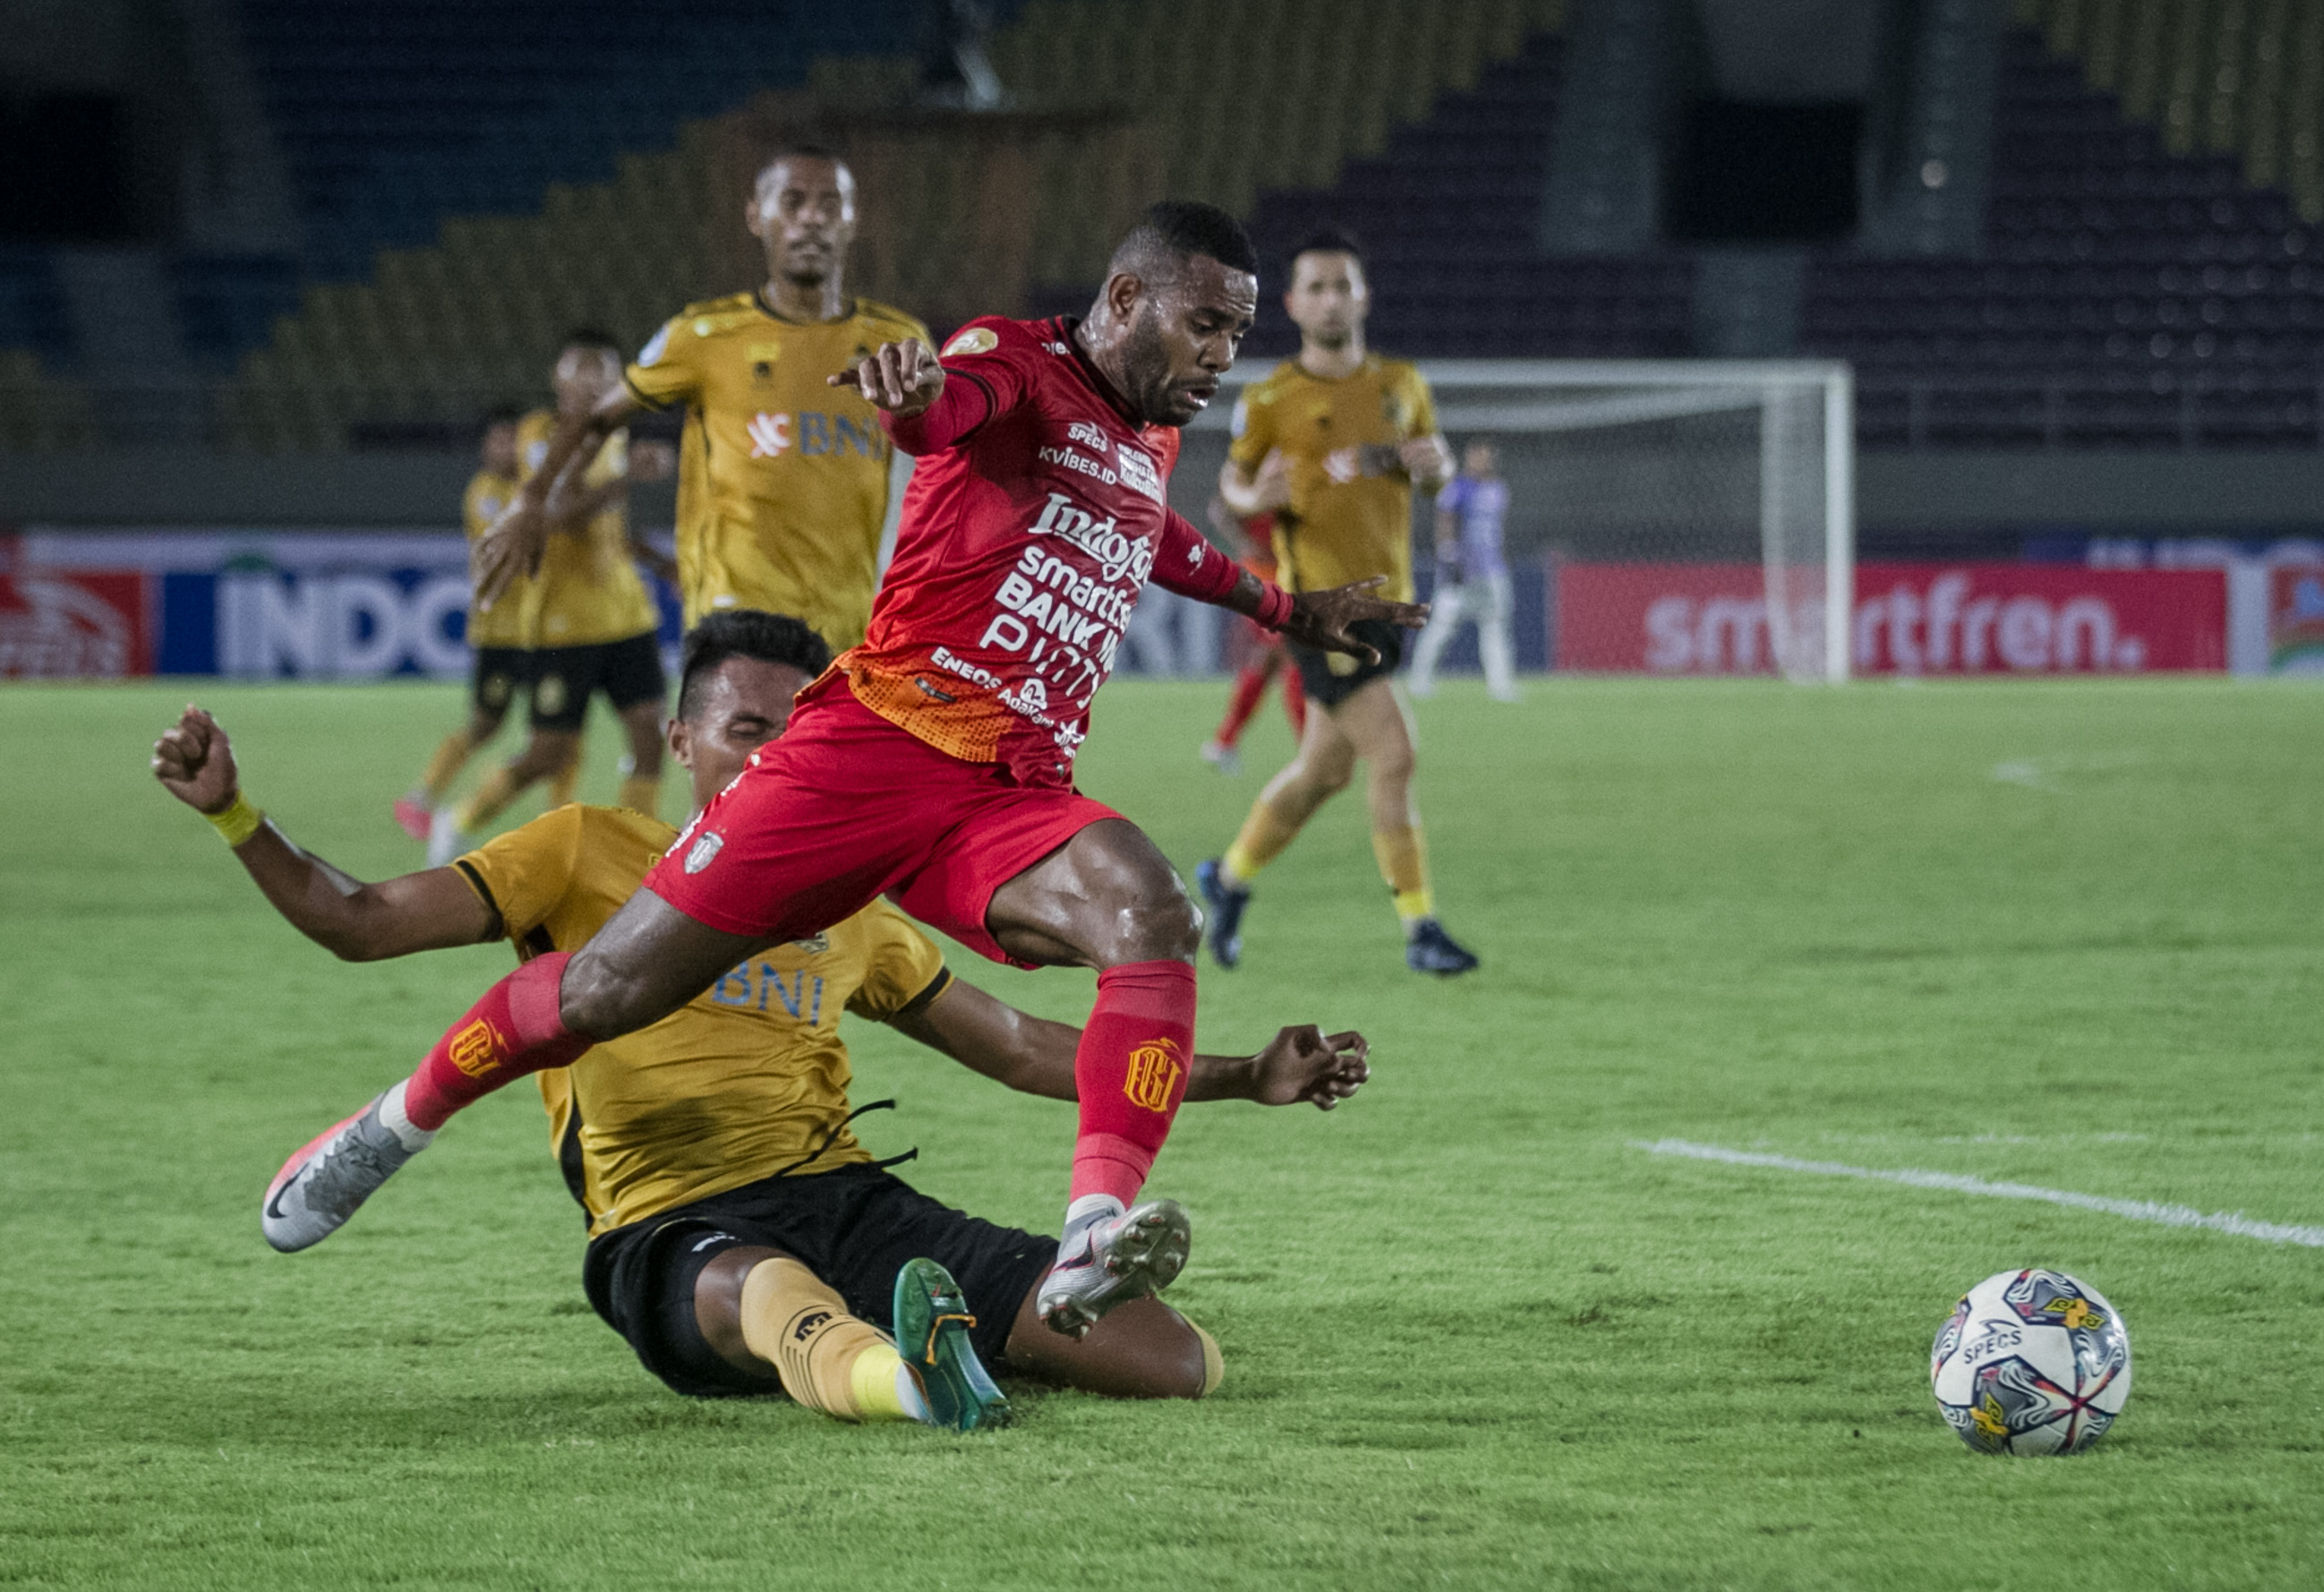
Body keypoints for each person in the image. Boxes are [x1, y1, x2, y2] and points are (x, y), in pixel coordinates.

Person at [305, 199, 1416, 1348]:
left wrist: (1291, 607)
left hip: (1004, 793)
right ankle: (394, 1121)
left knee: (1150, 905)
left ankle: (1092, 1233)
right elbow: (948, 410)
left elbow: (1155, 536)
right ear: (1127, 300)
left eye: (1238, 333)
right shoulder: (1012, 360)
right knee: (602, 996)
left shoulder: (1149, 435)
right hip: (871, 751)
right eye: (1206, 325)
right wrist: (911, 400)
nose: (1223, 356)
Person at [150, 611, 1371, 1428]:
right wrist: (237, 814)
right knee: (765, 1288)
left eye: (802, 731)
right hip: (667, 1225)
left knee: (1175, 1364)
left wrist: (1234, 1075)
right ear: (677, 740)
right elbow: (357, 919)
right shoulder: (583, 851)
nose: (777, 755)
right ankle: (911, 1376)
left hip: (846, 1195)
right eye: (746, 730)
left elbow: (1008, 1040)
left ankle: (966, 1330)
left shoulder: (855, 884)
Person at [480, 145, 928, 655]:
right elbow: (599, 416)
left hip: (852, 633)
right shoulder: (704, 335)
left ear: (851, 220)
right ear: (756, 216)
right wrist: (535, 497)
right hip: (732, 622)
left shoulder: (899, 342)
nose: (811, 219)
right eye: (793, 201)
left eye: (830, 204)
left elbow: (940, 461)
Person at [1198, 230, 1479, 978]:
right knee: (1395, 752)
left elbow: (1434, 471)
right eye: (1314, 287)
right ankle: (1420, 930)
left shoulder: (1403, 383)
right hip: (1320, 611)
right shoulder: (1269, 399)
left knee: (1322, 771)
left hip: (1392, 603)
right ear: (1290, 304)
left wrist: (1436, 467)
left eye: (1341, 285)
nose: (1330, 298)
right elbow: (1229, 488)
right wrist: (1249, 496)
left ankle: (1224, 882)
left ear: (1363, 296)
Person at [427, 330, 673, 864]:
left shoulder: (613, 436)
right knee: (547, 754)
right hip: (564, 622)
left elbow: (612, 527)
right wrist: (626, 478)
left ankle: (639, 858)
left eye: (605, 369)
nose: (594, 380)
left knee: (651, 735)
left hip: (626, 614)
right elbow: (553, 515)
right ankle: (460, 817)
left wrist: (661, 563)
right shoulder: (537, 436)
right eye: (582, 367)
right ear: (558, 378)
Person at [395, 407, 573, 841]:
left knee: (559, 730)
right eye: (497, 441)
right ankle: (423, 797)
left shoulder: (532, 489)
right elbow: (515, 540)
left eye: (513, 441)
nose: (506, 449)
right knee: (486, 723)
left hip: (540, 629)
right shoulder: (486, 493)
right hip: (502, 633)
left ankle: (560, 817)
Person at [1198, 492, 1306, 775]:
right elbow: (1219, 508)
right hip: (1261, 575)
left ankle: (1223, 742)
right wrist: (1244, 542)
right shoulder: (1258, 467)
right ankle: (1310, 748)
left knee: (1269, 660)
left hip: (1288, 573)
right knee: (1289, 652)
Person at [1407, 438, 1518, 702]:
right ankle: (1419, 679)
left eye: (1488, 455)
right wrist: (1449, 557)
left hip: (1491, 571)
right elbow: (1445, 522)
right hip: (1462, 570)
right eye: (1479, 455)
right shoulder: (1458, 487)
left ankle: (1500, 684)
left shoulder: (1498, 489)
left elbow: (1499, 532)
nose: (1484, 460)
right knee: (1443, 626)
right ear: (1469, 457)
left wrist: (1501, 562)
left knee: (1496, 625)